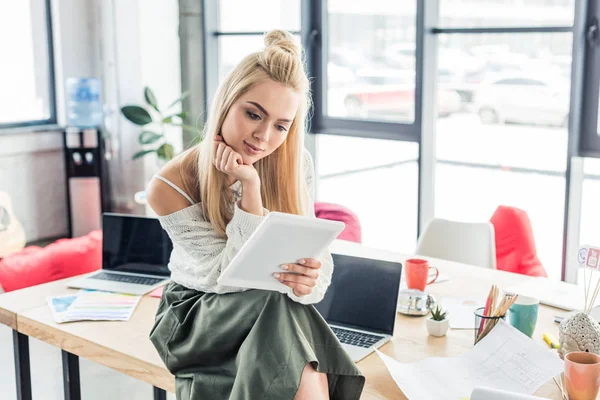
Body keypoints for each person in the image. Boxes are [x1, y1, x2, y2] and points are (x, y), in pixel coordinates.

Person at [147, 30, 364, 400]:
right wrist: (250, 189)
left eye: (281, 126)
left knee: (282, 309)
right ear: (226, 103)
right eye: (253, 114)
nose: (264, 136)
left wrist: (308, 280)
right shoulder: (171, 184)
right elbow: (224, 279)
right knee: (282, 314)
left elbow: (319, 267)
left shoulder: (295, 165)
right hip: (194, 313)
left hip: (267, 306)